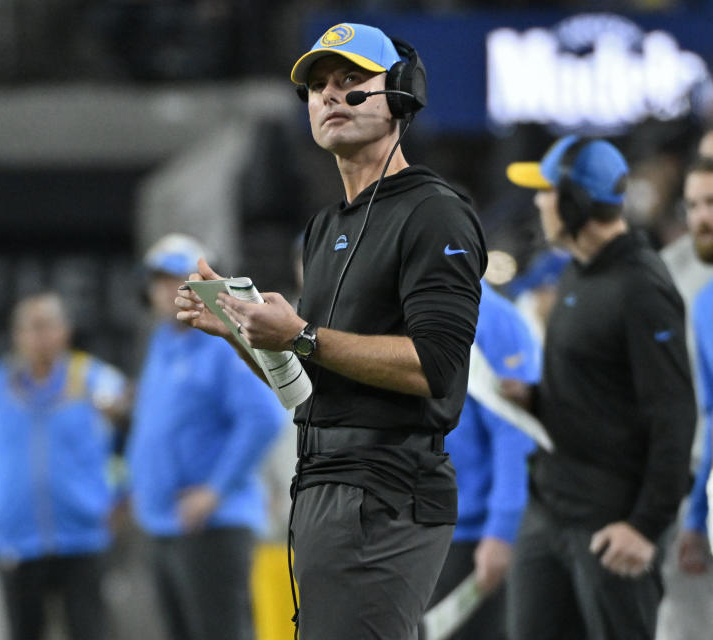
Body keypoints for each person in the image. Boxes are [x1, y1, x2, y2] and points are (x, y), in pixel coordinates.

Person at [177, 23, 487, 640]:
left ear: (400, 92)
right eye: (318, 86)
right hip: (324, 485)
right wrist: (241, 334)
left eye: (351, 81)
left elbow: (437, 367)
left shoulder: (435, 211)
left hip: (388, 490)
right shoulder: (325, 227)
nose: (329, 96)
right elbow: (307, 392)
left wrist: (301, 335)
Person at [504, 136, 696, 640]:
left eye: (546, 191)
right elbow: (600, 392)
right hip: (549, 511)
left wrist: (646, 526)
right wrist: (534, 400)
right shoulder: (577, 273)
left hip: (611, 527)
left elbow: (675, 416)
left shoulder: (642, 288)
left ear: (574, 201)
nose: (537, 202)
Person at [128, 233, 283, 640]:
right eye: (160, 281)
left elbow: (264, 418)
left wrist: (214, 491)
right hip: (165, 524)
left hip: (211, 525)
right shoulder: (163, 343)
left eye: (180, 280)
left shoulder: (221, 342)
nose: (169, 291)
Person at [0, 291, 128, 640]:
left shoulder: (96, 381)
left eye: (48, 326)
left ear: (66, 331)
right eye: (31, 328)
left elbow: (137, 440)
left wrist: (124, 495)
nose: (40, 336)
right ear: (16, 334)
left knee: (91, 631)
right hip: (16, 540)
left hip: (83, 537)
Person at [427, 282, 540, 639]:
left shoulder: (492, 319)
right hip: (415, 531)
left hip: (470, 536)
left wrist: (501, 532)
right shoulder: (404, 307)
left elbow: (515, 434)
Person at [677, 156, 713, 575]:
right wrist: (696, 517)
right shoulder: (703, 305)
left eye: (711, 203)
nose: (702, 218)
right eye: (692, 205)